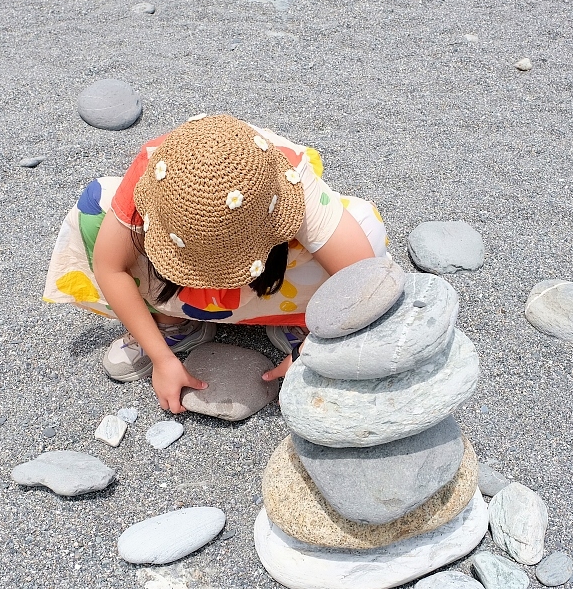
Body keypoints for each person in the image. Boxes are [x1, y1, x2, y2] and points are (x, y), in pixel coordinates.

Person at [43, 114, 388, 413]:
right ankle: (173, 325)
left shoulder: (287, 179)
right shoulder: (156, 170)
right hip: (192, 295)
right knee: (95, 209)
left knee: (364, 231)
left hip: (272, 290)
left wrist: (310, 352)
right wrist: (162, 358)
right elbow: (110, 266)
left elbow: (363, 280)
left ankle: (305, 325)